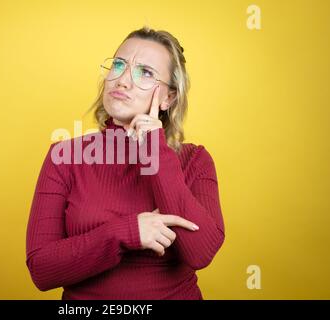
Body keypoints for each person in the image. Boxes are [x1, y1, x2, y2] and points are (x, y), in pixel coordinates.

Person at [26, 26, 225, 300]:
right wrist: (128, 232)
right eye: (119, 65)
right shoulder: (64, 157)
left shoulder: (195, 160)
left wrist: (155, 150)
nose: (123, 80)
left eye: (146, 73)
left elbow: (201, 252)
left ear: (168, 97)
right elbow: (42, 270)